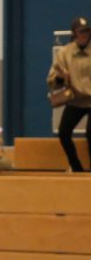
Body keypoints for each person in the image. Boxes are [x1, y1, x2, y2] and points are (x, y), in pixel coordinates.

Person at [48, 16, 91, 172]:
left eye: (87, 31)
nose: (85, 34)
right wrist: (60, 78)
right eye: (81, 31)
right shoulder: (64, 53)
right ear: (74, 33)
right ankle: (76, 167)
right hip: (75, 100)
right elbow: (52, 80)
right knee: (64, 133)